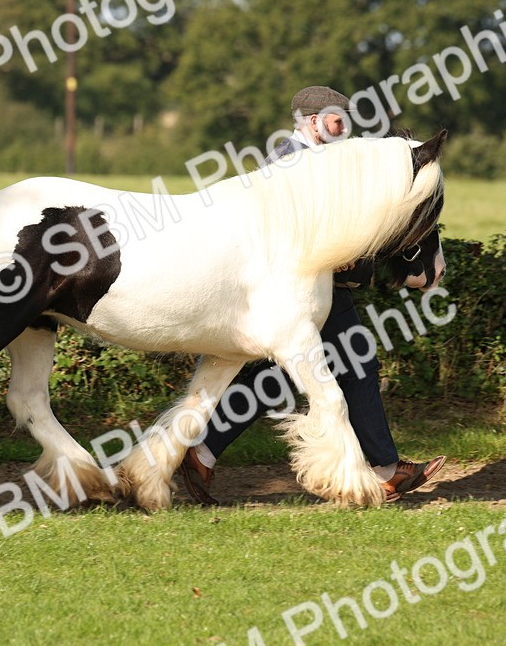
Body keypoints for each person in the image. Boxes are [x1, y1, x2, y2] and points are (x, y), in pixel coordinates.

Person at [178, 85, 445, 504]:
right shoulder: (285, 161)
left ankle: (201, 453)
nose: (344, 129)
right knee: (351, 365)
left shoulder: (323, 163)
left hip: (314, 290)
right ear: (310, 120)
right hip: (296, 293)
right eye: (337, 120)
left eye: (345, 121)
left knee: (278, 377)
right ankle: (386, 470)